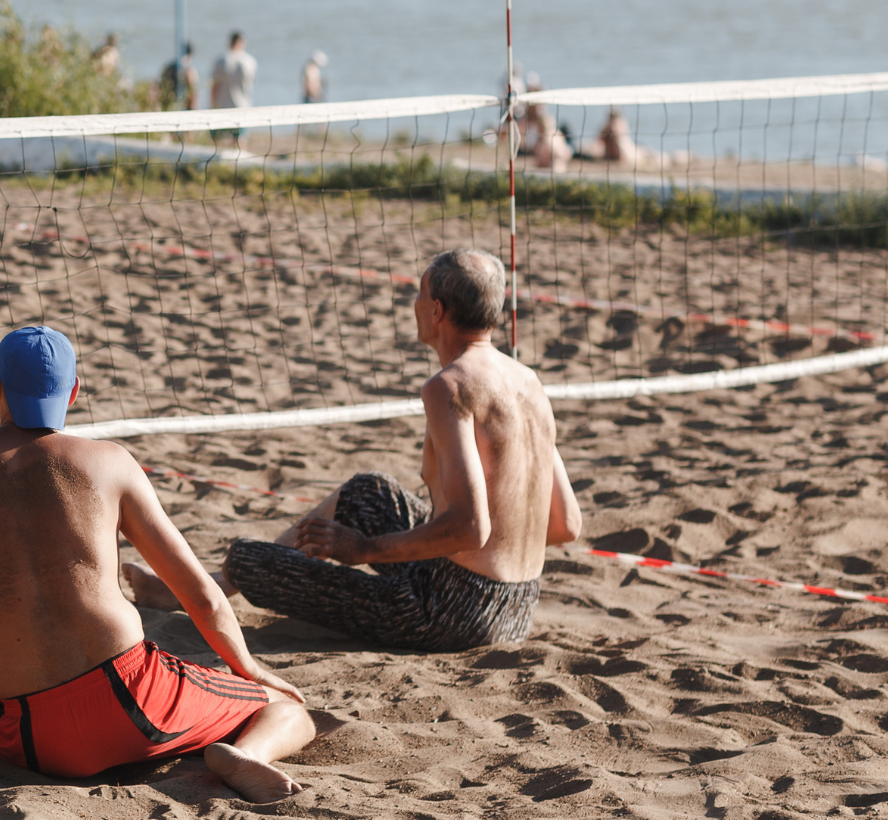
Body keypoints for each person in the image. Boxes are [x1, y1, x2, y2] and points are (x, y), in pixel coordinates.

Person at [0, 326, 315, 799]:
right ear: (72, 392)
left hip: (34, 740)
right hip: (134, 705)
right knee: (289, 710)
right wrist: (250, 670)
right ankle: (246, 754)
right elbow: (201, 594)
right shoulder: (109, 461)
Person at [126, 248, 582, 653]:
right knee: (369, 492)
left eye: (420, 295)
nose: (415, 304)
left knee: (248, 559)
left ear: (437, 310)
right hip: (519, 607)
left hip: (454, 613)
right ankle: (201, 590)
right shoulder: (528, 382)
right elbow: (566, 525)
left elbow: (470, 527)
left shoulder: (450, 386)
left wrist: (364, 547)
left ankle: (199, 591)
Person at [209, 31, 257, 144]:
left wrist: (212, 104)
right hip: (242, 106)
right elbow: (251, 85)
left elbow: (215, 86)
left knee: (218, 141)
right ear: (242, 43)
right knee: (240, 141)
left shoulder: (221, 60)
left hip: (223, 106)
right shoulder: (249, 61)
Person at [159, 42, 198, 110]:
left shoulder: (169, 68)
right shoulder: (190, 72)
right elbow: (193, 96)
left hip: (170, 107)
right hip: (178, 107)